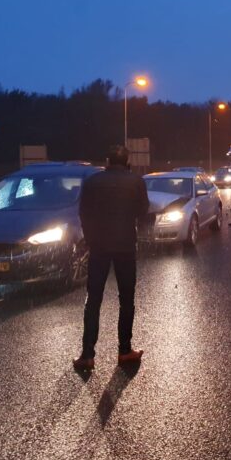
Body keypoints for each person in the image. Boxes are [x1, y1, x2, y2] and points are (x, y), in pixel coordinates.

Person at [73, 145, 150, 371]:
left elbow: (83, 212)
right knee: (126, 300)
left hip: (99, 247)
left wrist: (90, 238)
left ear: (107, 161)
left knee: (93, 299)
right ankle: (125, 350)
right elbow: (142, 211)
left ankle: (87, 354)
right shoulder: (136, 182)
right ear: (127, 162)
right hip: (125, 246)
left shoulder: (92, 182)